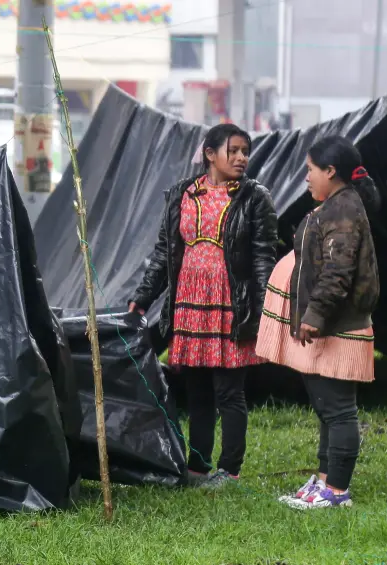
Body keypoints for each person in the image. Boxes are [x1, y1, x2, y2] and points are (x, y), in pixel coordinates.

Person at [128, 124, 278, 488]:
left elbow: (262, 258)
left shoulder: (254, 198)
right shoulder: (183, 194)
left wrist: (262, 312)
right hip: (190, 303)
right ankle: (197, 467)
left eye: (246, 151)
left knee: (229, 391)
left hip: (231, 304)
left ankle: (229, 470)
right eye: (235, 150)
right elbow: (165, 253)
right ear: (210, 154)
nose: (242, 157)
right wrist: (142, 299)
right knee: (197, 392)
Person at [255, 135, 380, 508]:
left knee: (338, 409)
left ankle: (336, 492)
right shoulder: (336, 205)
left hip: (338, 326)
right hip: (329, 324)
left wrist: (315, 314)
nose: (306, 177)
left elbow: (338, 272)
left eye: (311, 170)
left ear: (330, 171)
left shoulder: (343, 211)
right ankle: (324, 482)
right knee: (326, 407)